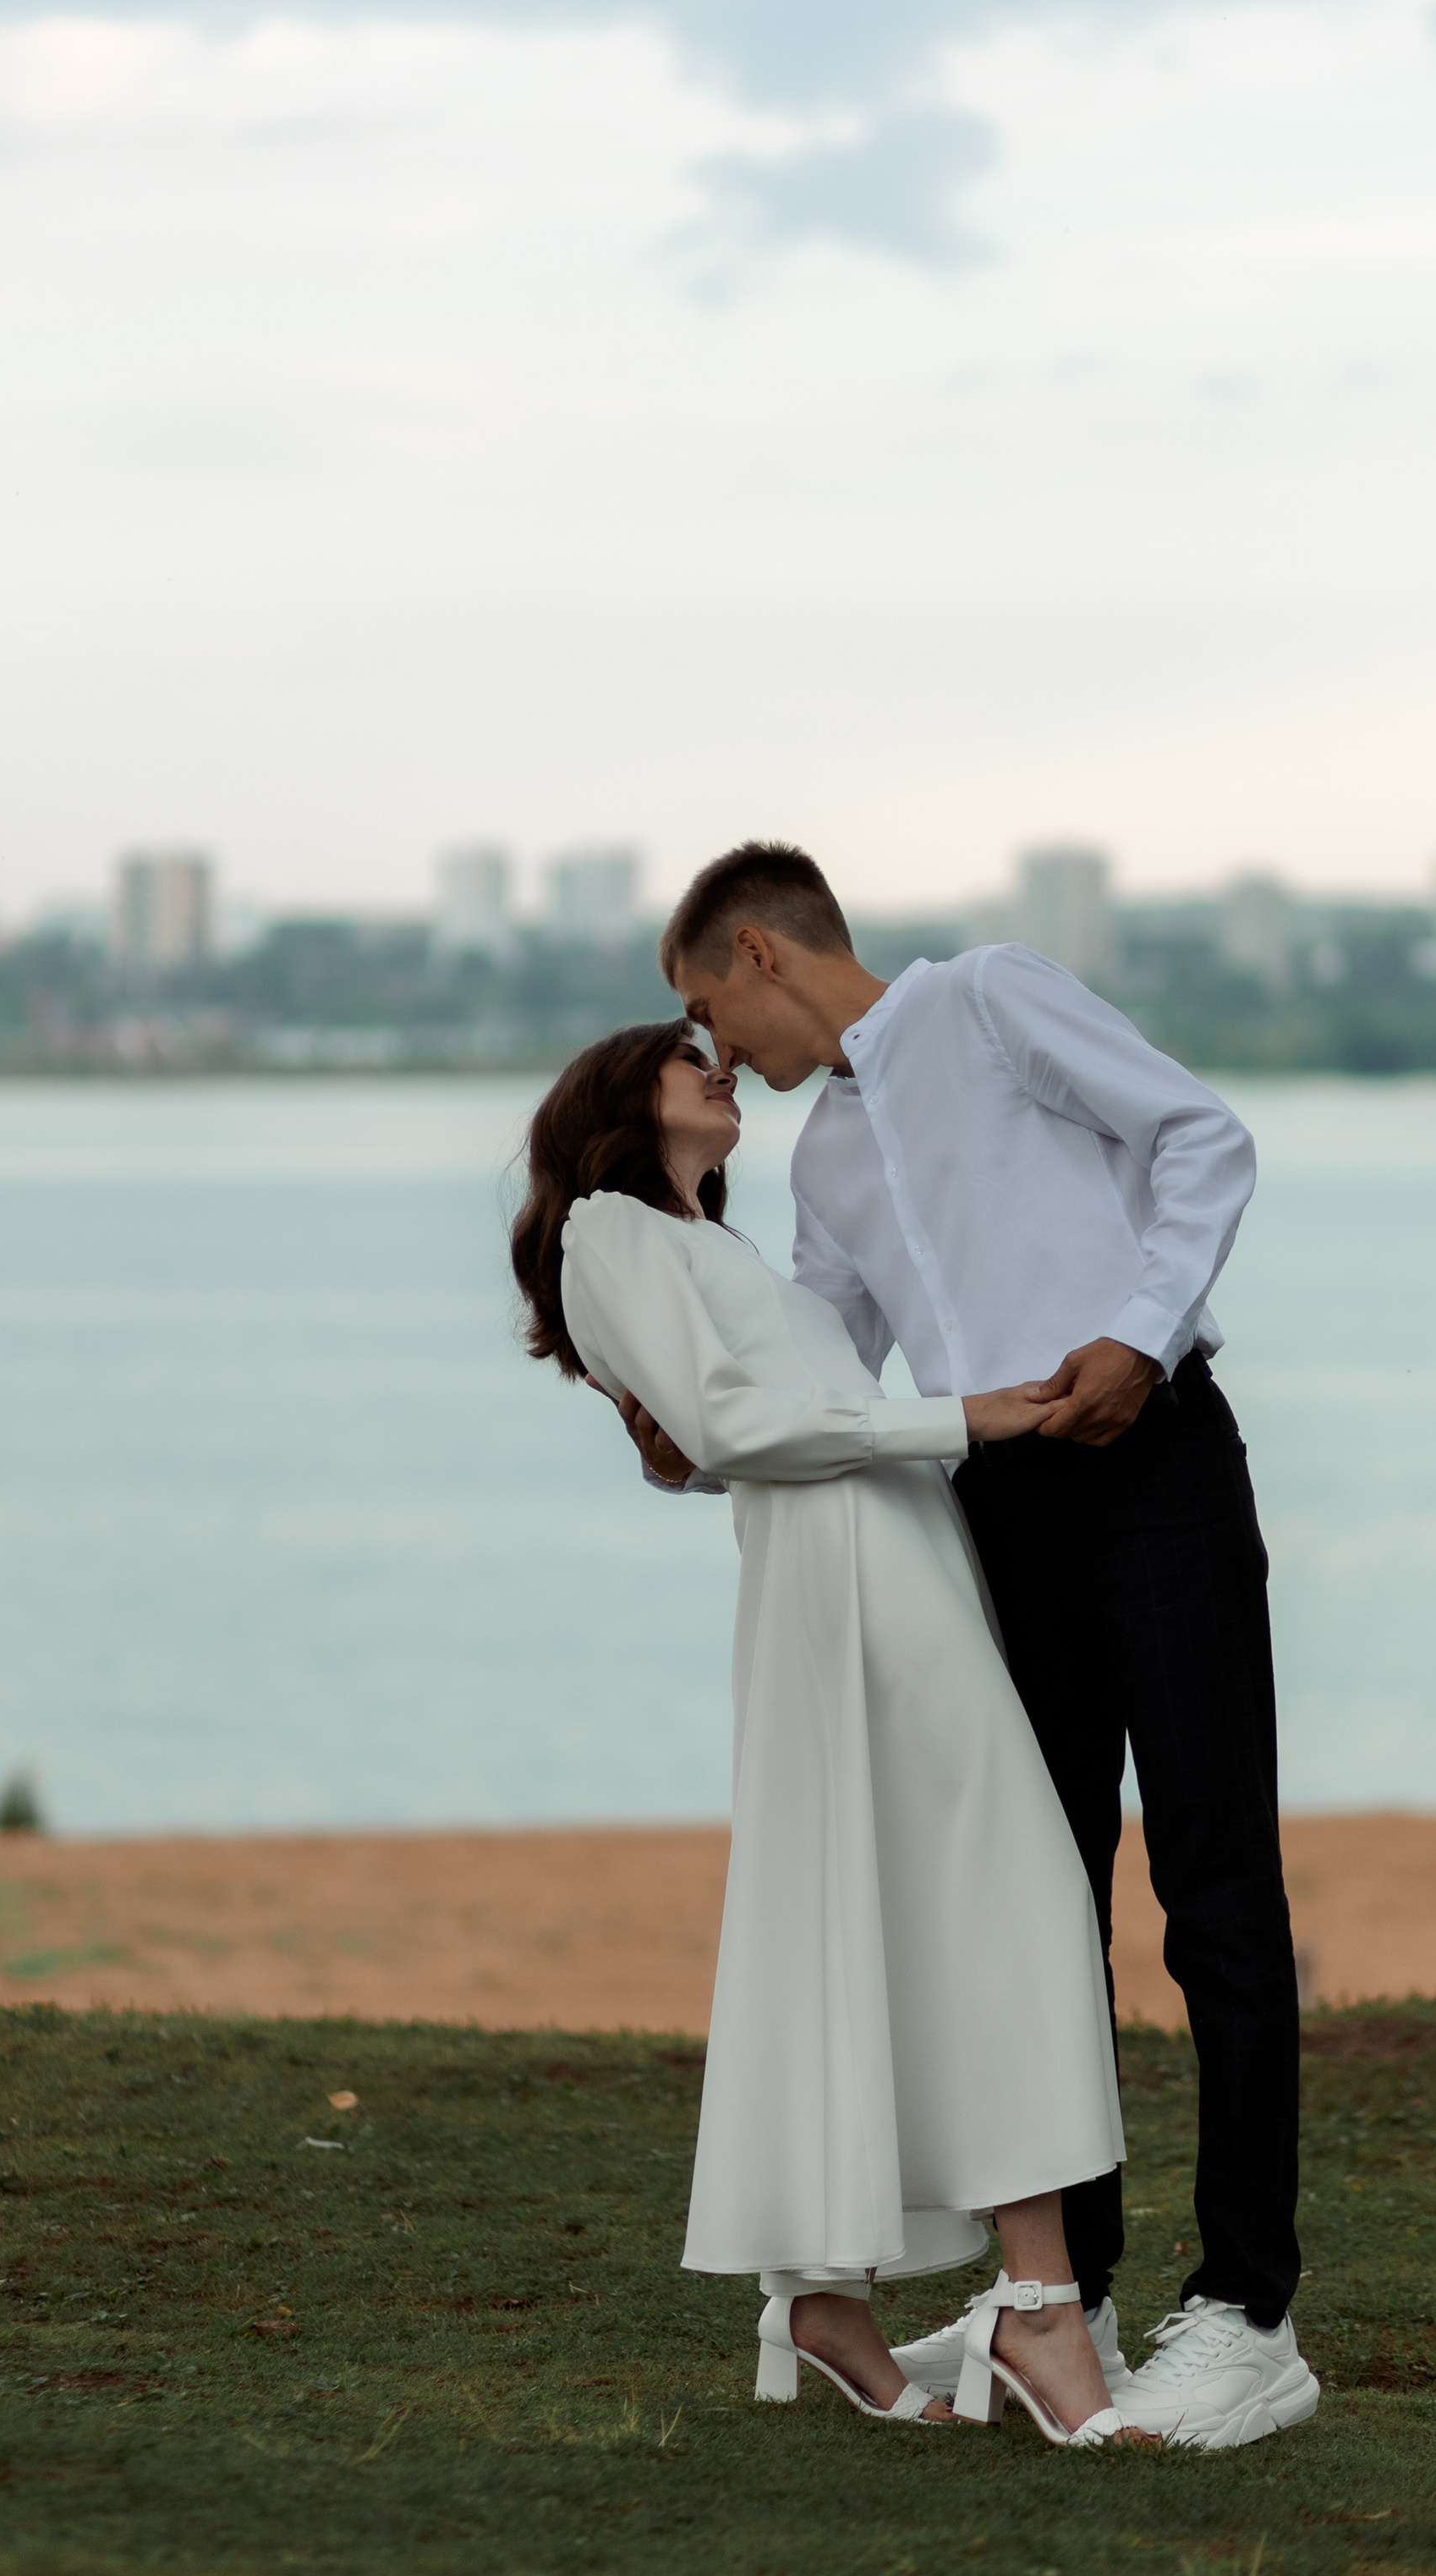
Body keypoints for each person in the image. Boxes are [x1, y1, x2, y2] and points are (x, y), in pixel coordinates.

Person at [624, 842, 1318, 2453]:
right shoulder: (828, 1167)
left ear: (761, 950)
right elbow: (823, 1371)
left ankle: (1252, 2314)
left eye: (703, 1002)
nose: (713, 1044)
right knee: (1041, 1904)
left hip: (1153, 1469)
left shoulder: (992, 1002)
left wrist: (1138, 1339)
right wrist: (696, 1439)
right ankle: (1060, 2292)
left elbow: (1201, 1139)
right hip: (993, 1513)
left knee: (1215, 1891)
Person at [511, 1017, 1131, 2441]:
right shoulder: (609, 1229)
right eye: (686, 1056)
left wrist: (909, 1429)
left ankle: (828, 2292)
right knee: (1006, 1890)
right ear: (617, 1102)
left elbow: (737, 1432)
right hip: (849, 1583)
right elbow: (743, 1432)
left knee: (902, 1902)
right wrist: (959, 1420)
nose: (718, 1063)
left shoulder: (710, 1245)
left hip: (888, 1565)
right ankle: (1037, 2307)